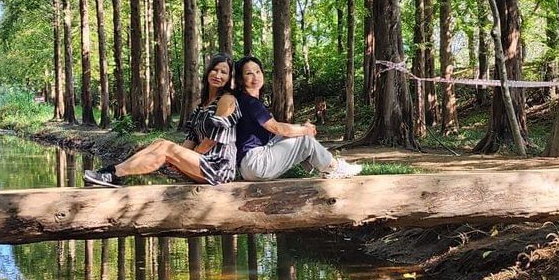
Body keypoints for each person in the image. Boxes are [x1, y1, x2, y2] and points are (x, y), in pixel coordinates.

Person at [84, 54, 240, 187]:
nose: (218, 75)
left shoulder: (227, 100)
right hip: (202, 162)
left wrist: (181, 157)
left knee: (167, 148)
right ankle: (113, 172)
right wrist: (179, 158)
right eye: (215, 70)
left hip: (219, 168)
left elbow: (211, 141)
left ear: (229, 78)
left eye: (224, 72)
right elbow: (191, 138)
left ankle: (113, 174)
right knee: (159, 143)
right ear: (208, 71)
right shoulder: (201, 104)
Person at [232, 56, 361, 182]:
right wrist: (305, 131)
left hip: (249, 165)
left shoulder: (245, 101)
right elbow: (278, 128)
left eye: (258, 71)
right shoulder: (250, 103)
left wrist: (301, 128)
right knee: (304, 139)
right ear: (240, 79)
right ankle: (334, 167)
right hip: (256, 163)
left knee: (300, 135)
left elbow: (277, 130)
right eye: (249, 73)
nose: (255, 77)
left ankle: (325, 167)